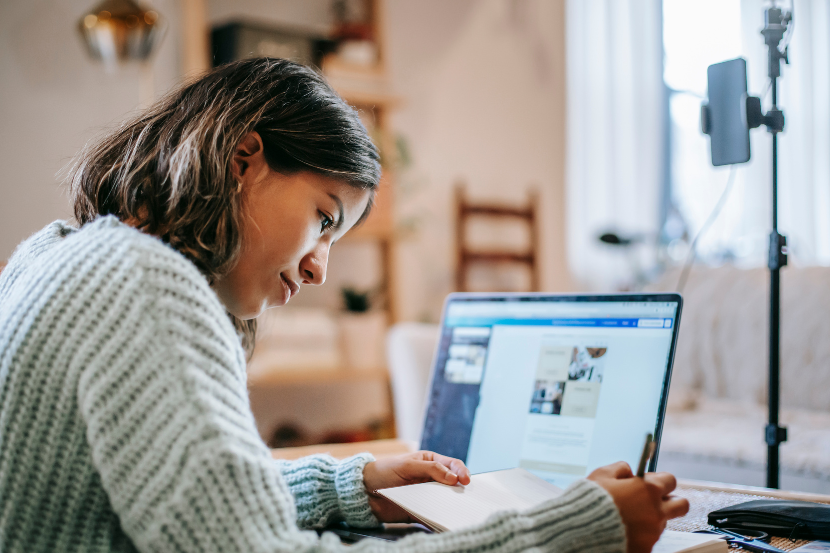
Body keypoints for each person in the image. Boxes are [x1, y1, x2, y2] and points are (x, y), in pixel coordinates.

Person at [0, 58, 688, 553]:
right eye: (324, 218)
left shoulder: (65, 252)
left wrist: (356, 485)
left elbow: (185, 495)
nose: (320, 267)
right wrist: (567, 529)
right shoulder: (147, 287)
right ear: (244, 160)